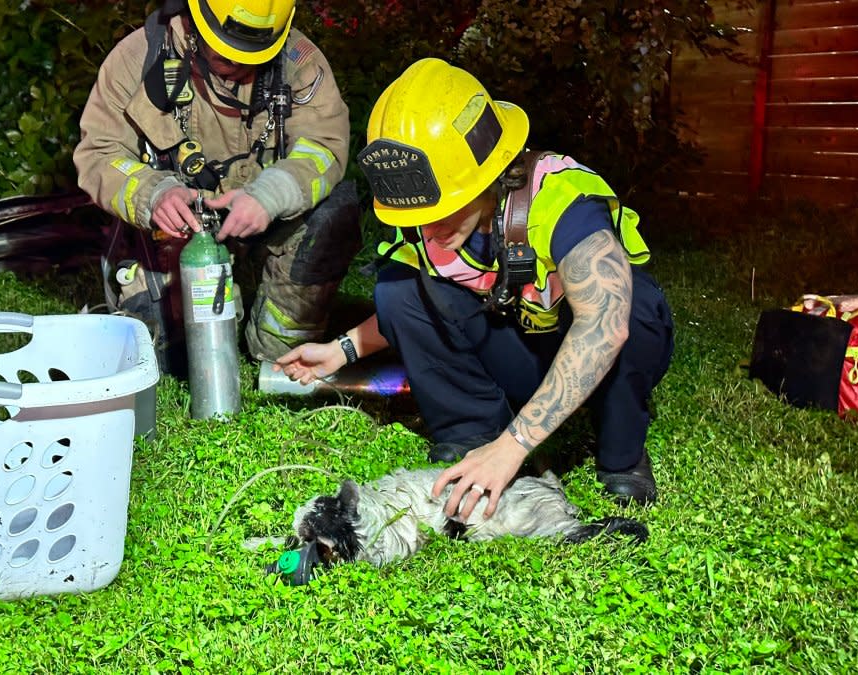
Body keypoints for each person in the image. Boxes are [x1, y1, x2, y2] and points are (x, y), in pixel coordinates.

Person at [274, 58, 674, 520]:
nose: (430, 225)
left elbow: (605, 324)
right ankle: (472, 432)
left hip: (599, 354)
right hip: (521, 350)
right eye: (420, 212)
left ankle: (621, 447)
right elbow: (407, 308)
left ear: (488, 172)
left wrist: (515, 447)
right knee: (397, 285)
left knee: (634, 309)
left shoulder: (562, 200)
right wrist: (341, 351)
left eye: (444, 207)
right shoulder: (423, 215)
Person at [73, 0, 361, 370]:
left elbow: (323, 147)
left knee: (335, 212)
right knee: (161, 361)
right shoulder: (137, 58)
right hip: (171, 237)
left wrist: (270, 196)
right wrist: (154, 195)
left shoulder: (299, 62)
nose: (240, 66)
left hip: (261, 227)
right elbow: (98, 151)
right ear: (194, 23)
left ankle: (278, 349)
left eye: (254, 56)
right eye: (226, 54)